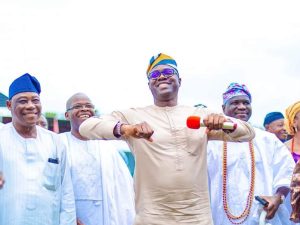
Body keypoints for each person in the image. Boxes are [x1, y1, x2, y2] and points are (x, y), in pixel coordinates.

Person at [79, 53, 255, 225]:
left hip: (197, 217)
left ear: (180, 80)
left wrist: (224, 124)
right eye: (155, 75)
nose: (161, 76)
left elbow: (248, 132)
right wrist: (128, 129)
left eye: (168, 73)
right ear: (149, 85)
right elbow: (86, 127)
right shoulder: (134, 115)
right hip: (151, 217)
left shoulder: (199, 115)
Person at [207, 82, 295, 225]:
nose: (241, 107)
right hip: (219, 217)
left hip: (262, 217)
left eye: (246, 102)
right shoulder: (212, 141)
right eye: (235, 102)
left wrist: (278, 197)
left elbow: (287, 172)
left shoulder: (267, 140)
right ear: (223, 108)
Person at [0, 73, 76, 225]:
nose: (30, 106)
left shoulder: (55, 141)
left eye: (35, 100)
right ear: (9, 105)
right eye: (22, 101)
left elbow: (66, 192)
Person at [60, 92, 135, 225]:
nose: (84, 109)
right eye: (77, 106)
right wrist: (69, 218)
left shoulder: (107, 146)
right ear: (67, 115)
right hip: (70, 216)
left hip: (107, 216)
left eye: (88, 106)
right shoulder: (59, 143)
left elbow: (124, 190)